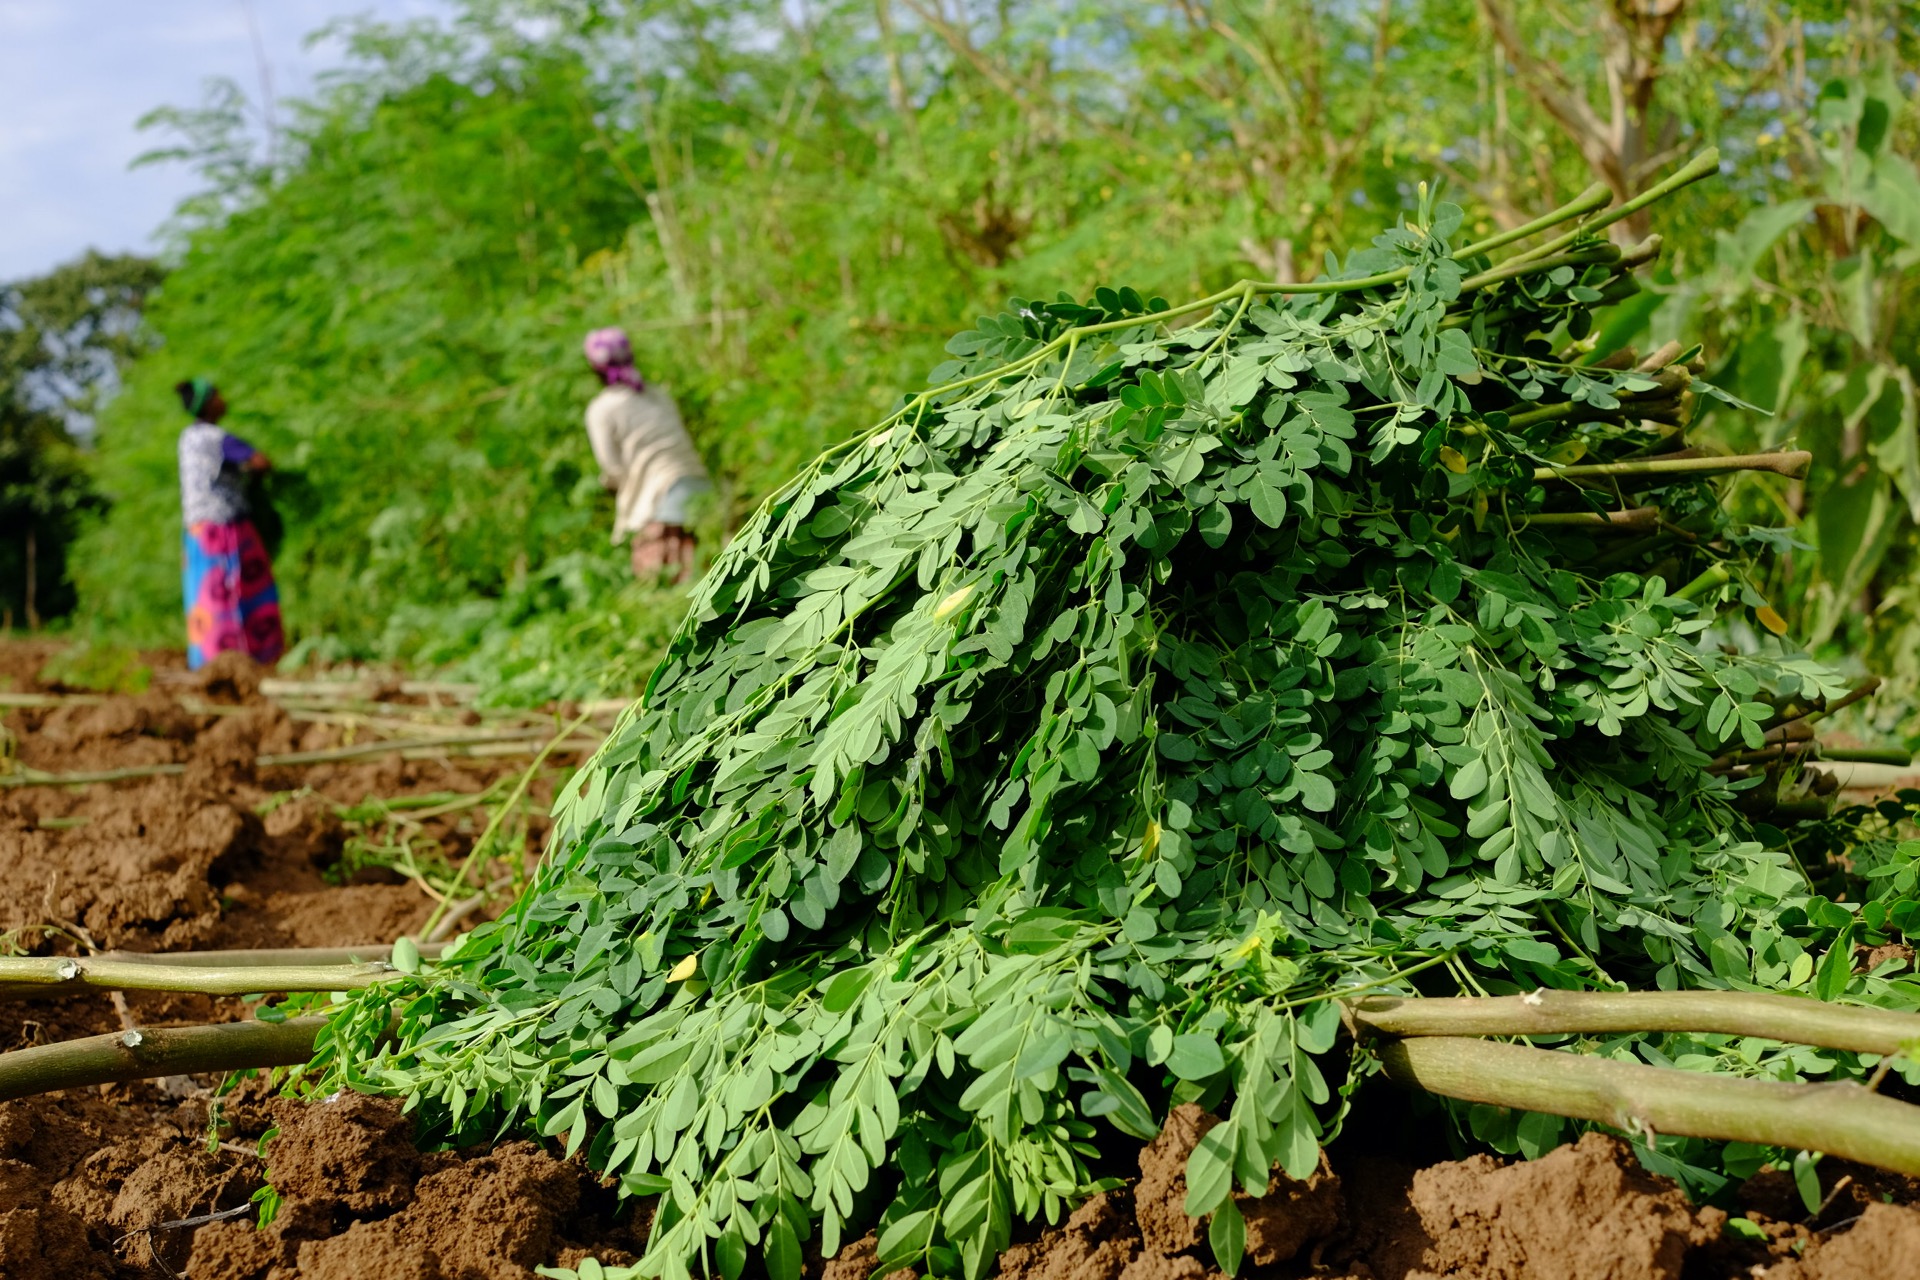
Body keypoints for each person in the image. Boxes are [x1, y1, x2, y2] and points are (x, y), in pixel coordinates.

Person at [582, 327, 711, 584]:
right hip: (698, 483)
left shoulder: (602, 409)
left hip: (660, 495)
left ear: (594, 368)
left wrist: (609, 484)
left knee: (666, 580)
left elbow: (612, 467)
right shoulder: (657, 394)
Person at [176, 377, 284, 669]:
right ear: (209, 403)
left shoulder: (187, 439)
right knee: (235, 590)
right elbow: (262, 462)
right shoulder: (216, 438)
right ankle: (246, 661)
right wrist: (253, 472)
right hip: (223, 529)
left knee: (205, 595)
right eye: (217, 395)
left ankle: (210, 663)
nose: (223, 398)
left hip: (196, 531)